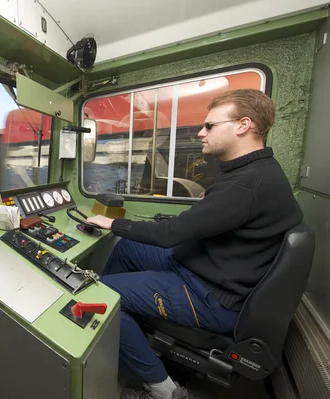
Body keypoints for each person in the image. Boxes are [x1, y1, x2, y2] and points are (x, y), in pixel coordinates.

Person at [86, 89, 303, 399]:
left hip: (211, 297)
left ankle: (164, 390)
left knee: (101, 295)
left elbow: (169, 235)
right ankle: (127, 333)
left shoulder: (245, 185)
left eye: (210, 126)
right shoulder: (254, 172)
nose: (201, 133)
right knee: (128, 248)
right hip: (210, 272)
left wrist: (111, 223)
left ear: (243, 125)